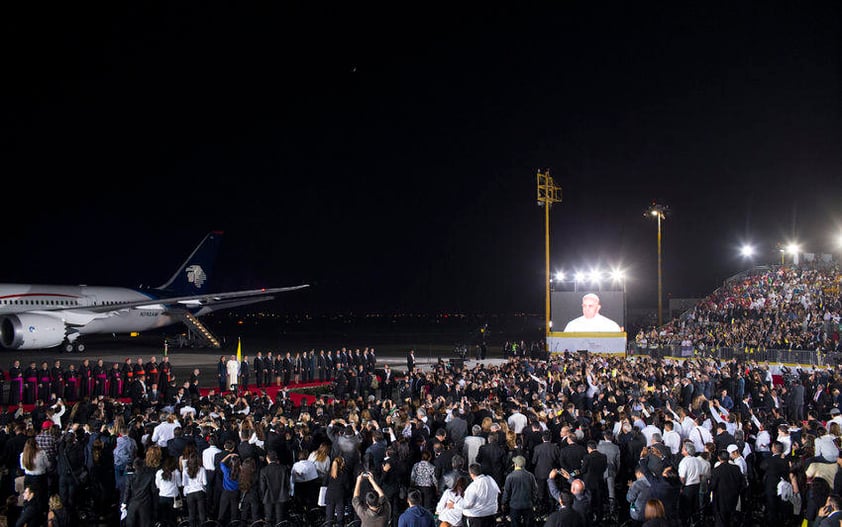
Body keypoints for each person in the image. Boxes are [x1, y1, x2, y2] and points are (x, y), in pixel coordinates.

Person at [502, 455, 537, 527]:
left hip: (515, 506)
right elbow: (535, 490)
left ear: (515, 464)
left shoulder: (510, 476)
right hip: (528, 505)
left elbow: (506, 492)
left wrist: (503, 502)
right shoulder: (530, 476)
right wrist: (533, 501)